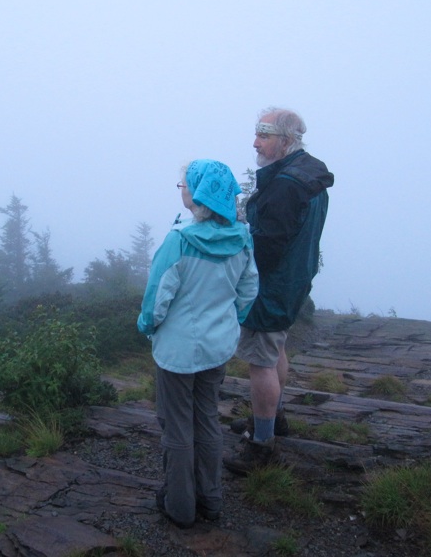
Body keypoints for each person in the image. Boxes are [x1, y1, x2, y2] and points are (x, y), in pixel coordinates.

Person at [138, 159, 259, 528]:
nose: (182, 189)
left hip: (177, 351)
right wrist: (230, 321)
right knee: (206, 420)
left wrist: (148, 326)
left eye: (184, 184)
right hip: (216, 348)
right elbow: (248, 289)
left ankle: (180, 507)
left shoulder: (180, 240)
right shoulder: (242, 237)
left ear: (200, 193)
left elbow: (158, 298)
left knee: (176, 427)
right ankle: (212, 500)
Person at [224, 107, 334, 475]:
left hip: (270, 287)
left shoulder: (287, 185)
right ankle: (274, 417)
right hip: (294, 280)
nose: (255, 142)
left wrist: (238, 269)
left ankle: (262, 445)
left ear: (285, 141)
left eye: (264, 135)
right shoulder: (309, 173)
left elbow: (266, 248)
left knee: (260, 362)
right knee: (276, 349)